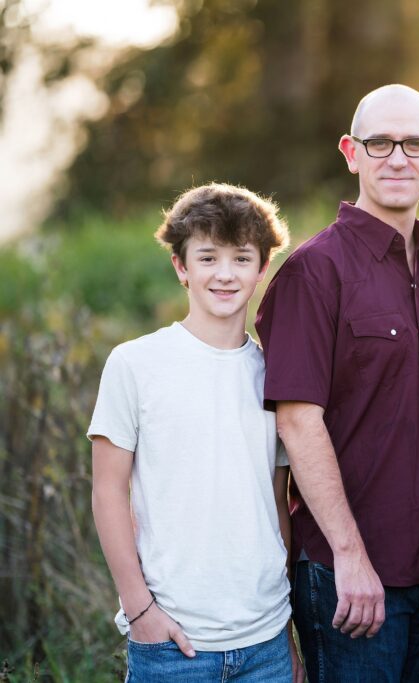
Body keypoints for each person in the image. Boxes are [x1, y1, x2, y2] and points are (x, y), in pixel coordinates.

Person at [254, 84, 419, 682]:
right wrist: (350, 558)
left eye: (415, 143)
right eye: (380, 143)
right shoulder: (313, 272)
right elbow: (298, 421)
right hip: (353, 582)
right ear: (351, 152)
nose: (398, 158)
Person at [89, 183, 302, 682]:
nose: (225, 274)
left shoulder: (276, 375)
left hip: (266, 641)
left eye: (241, 258)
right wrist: (140, 611)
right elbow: (107, 491)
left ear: (262, 270)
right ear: (181, 268)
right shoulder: (136, 364)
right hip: (172, 642)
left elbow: (276, 500)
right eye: (207, 258)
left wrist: (287, 626)